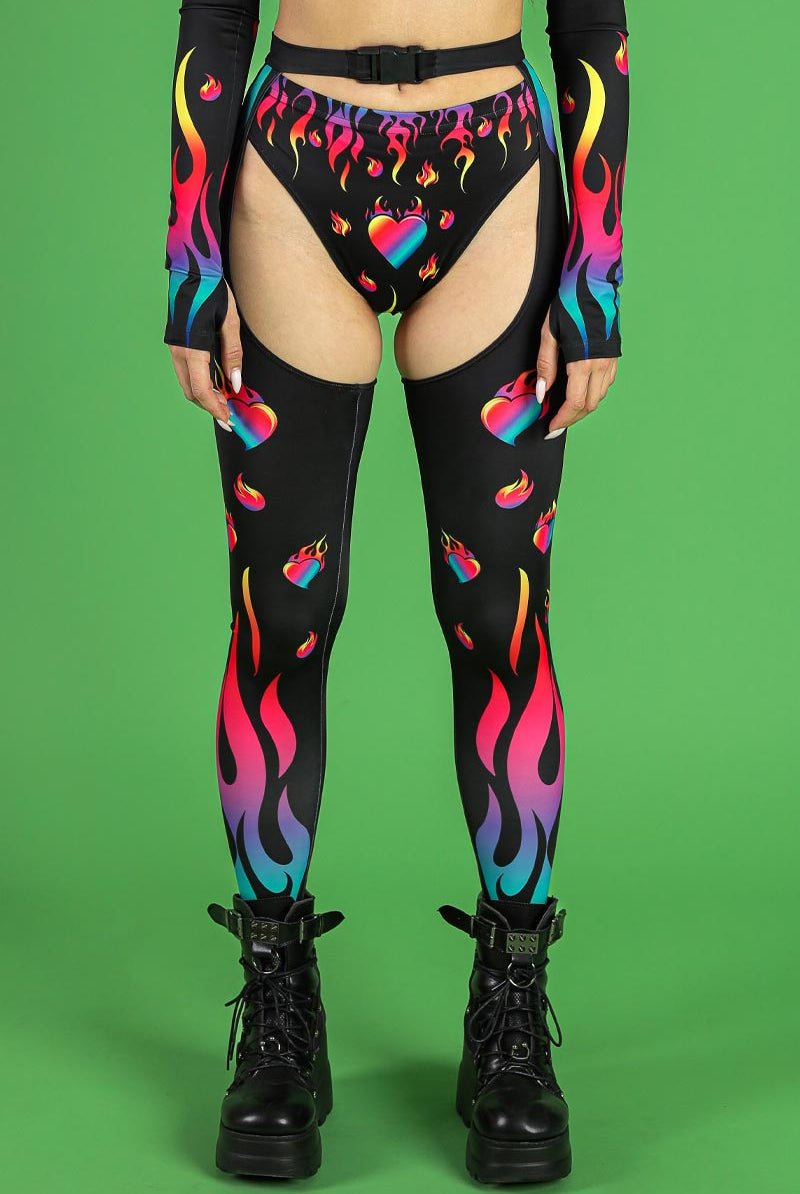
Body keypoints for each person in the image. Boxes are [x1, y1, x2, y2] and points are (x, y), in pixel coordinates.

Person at [162, 0, 629, 1183]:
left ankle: (510, 1015)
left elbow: (589, 17)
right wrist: (189, 255)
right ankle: (277, 1013)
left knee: (497, 618)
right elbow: (216, 11)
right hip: (290, 165)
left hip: (494, 169)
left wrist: (596, 267)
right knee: (279, 616)